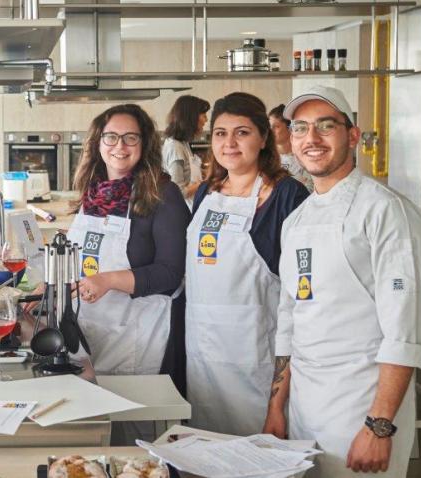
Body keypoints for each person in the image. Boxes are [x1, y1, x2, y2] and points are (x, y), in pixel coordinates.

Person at [262, 85, 421, 476]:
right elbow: (289, 318)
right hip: (304, 407)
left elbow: (405, 329)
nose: (312, 138)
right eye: (301, 128)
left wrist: (379, 426)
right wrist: (276, 407)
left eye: (325, 126)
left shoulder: (386, 211)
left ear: (352, 136)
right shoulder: (296, 221)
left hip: (362, 407)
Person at [186, 92, 309, 436]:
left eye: (242, 132)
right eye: (220, 133)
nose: (229, 143)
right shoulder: (206, 193)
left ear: (263, 138)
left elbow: (298, 299)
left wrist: (279, 400)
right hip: (203, 357)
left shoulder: (287, 196)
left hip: (257, 359)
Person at [68, 103, 190, 381]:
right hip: (89, 330)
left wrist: (108, 280)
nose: (120, 146)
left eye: (130, 137)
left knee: (132, 406)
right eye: (111, 137)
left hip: (139, 335)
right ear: (98, 142)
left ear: (144, 144)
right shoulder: (93, 192)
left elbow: (171, 273)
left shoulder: (163, 194)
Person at [162, 95, 211, 201]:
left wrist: (204, 173)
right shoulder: (175, 148)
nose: (206, 119)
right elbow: (178, 193)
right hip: (184, 208)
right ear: (191, 118)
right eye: (203, 115)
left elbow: (187, 173)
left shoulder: (182, 143)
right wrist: (203, 184)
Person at [269, 104, 313, 191]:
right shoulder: (267, 158)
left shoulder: (306, 155)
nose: (271, 131)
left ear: (290, 128)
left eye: (276, 126)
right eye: (269, 126)